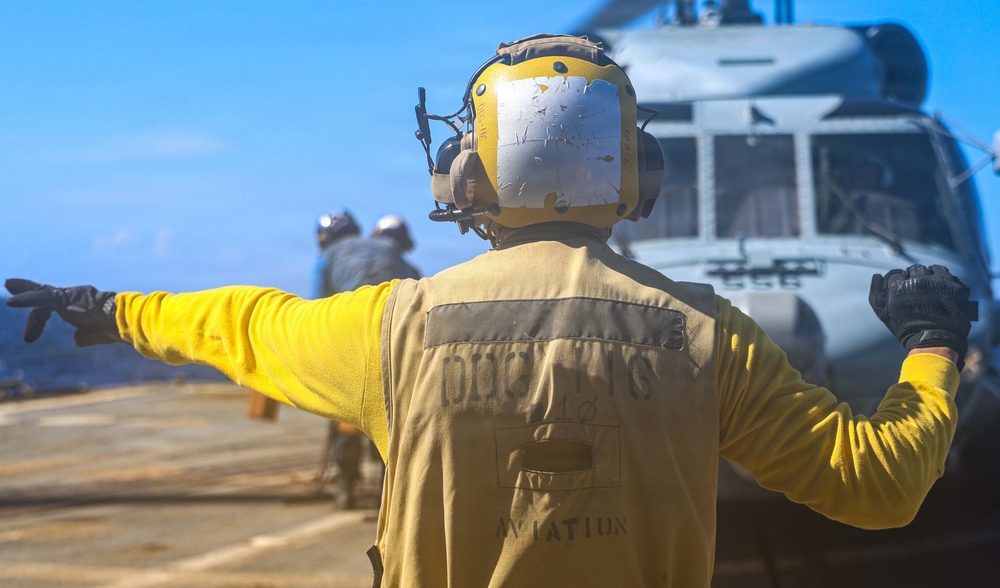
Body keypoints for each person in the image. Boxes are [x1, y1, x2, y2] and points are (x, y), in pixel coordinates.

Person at [4, 34, 977, 587]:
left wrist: (114, 307)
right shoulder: (702, 330)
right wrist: (931, 347)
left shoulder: (389, 322)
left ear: (465, 175)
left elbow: (241, 322)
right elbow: (876, 487)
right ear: (638, 175)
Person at [312, 209, 418, 508]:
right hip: (395, 338)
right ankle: (390, 491)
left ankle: (346, 487)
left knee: (344, 412)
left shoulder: (328, 257)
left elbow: (317, 309)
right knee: (393, 418)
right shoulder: (395, 253)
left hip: (353, 336)